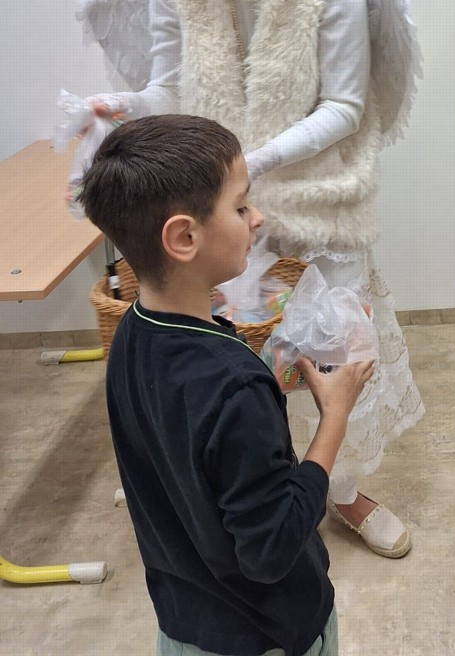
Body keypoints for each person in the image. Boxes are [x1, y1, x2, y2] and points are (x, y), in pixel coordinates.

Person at [88, 0, 423, 558]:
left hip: (315, 202)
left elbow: (346, 106)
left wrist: (253, 160)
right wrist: (121, 105)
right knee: (235, 358)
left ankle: (342, 489)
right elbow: (169, 90)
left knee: (332, 355)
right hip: (216, 211)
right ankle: (244, 483)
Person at [80, 114, 375, 656]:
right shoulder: (235, 388)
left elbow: (197, 435)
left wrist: (274, 376)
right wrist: (335, 416)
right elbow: (271, 549)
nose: (256, 218)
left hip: (186, 619)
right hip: (265, 634)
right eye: (240, 207)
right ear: (184, 237)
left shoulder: (132, 333)